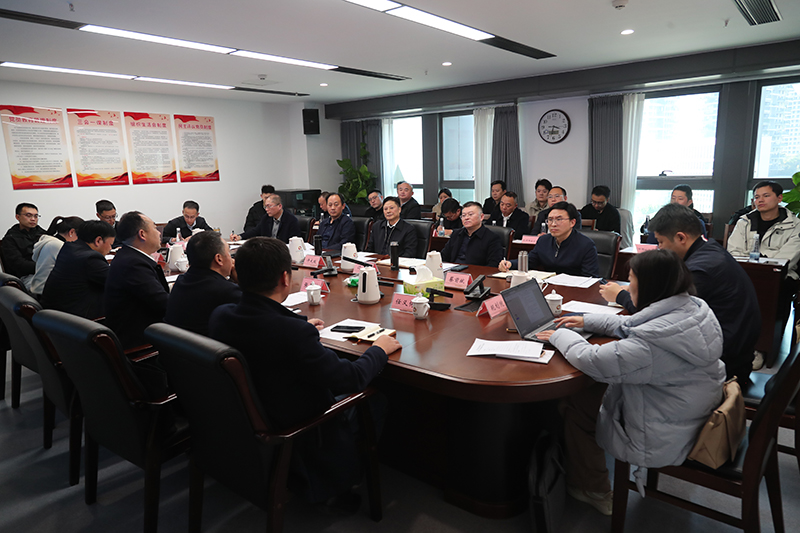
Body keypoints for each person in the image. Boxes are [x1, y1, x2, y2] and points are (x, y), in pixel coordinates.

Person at [209, 237, 401, 504]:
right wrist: (379, 348)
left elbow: (264, 328)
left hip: (248, 416)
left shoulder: (221, 315)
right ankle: (344, 478)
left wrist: (299, 326)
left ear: (237, 274)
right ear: (285, 278)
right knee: (376, 399)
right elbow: (352, 379)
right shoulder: (292, 333)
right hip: (295, 424)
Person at [537, 249, 724, 516]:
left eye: (632, 278)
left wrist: (557, 335)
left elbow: (593, 360)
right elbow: (635, 324)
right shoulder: (692, 307)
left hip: (663, 428)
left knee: (576, 405)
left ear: (649, 285)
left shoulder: (649, 345)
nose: (627, 286)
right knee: (591, 391)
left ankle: (591, 488)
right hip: (692, 404)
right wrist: (587, 321)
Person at [601, 203, 760, 382]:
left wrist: (620, 296)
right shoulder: (709, 250)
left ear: (681, 237)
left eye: (661, 242)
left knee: (628, 362)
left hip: (724, 365)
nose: (659, 248)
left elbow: (659, 315)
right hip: (726, 348)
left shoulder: (700, 270)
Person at [105, 211, 170, 349]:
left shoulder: (127, 256)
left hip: (143, 329)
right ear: (142, 234)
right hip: (142, 342)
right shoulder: (133, 264)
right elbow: (164, 304)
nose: (159, 233)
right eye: (155, 228)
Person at [164, 231, 241, 337]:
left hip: (176, 345)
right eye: (229, 253)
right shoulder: (228, 291)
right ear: (219, 259)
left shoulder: (181, 281)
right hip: (211, 346)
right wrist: (241, 282)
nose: (232, 260)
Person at [500, 202, 599, 277]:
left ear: (572, 223)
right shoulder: (544, 240)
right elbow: (531, 260)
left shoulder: (586, 245)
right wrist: (510, 264)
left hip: (575, 290)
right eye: (550, 220)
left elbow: (590, 277)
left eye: (559, 219)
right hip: (549, 287)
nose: (553, 224)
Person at [727, 180, 800, 282]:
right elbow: (734, 252)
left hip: (780, 276)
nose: (760, 200)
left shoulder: (795, 225)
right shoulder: (744, 222)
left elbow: (787, 259)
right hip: (744, 273)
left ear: (779, 198)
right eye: (757, 197)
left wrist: (761, 269)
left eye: (766, 196)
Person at [42, 220, 116, 320]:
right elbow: (117, 282)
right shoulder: (91, 259)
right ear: (98, 240)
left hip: (54, 314)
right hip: (74, 319)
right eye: (110, 244)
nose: (110, 248)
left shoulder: (69, 248)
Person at [30, 216, 84, 296]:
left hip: (41, 289)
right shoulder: (58, 245)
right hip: (47, 292)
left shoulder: (49, 242)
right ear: (71, 232)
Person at [440, 202, 503, 267]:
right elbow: (443, 257)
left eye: (470, 214)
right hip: (453, 270)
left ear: (481, 217)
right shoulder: (456, 234)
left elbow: (493, 265)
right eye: (463, 215)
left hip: (476, 272)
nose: (466, 218)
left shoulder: (492, 238)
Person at [2, 203, 46, 284]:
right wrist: (44, 266)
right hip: (25, 277)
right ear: (18, 217)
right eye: (28, 215)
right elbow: (18, 264)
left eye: (36, 216)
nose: (33, 219)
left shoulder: (42, 233)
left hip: (45, 271)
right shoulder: (10, 238)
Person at [232, 194, 301, 243]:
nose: (266, 209)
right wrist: (240, 236)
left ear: (279, 206)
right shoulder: (266, 218)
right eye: (265, 207)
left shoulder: (291, 220)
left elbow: (294, 242)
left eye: (269, 206)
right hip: (268, 250)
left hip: (282, 252)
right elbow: (255, 231)